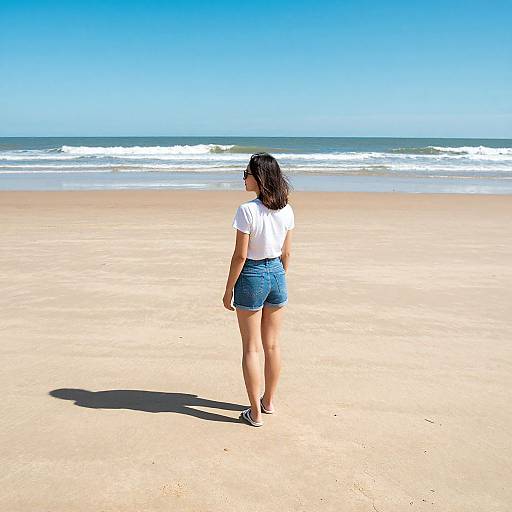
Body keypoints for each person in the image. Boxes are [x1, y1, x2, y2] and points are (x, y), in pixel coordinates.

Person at [222, 153, 295, 427]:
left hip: (252, 275)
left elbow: (240, 256)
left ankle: (254, 412)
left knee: (251, 348)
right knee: (273, 345)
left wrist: (228, 289)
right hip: (277, 273)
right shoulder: (286, 210)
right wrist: (278, 278)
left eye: (246, 173)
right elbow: (287, 252)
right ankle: (268, 401)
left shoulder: (247, 211)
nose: (243, 178)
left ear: (259, 178)